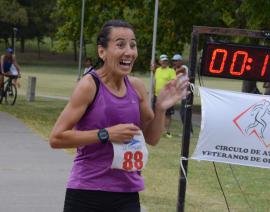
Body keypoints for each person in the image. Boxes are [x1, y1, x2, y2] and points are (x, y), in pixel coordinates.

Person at [49, 20, 188, 212]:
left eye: (133, 44)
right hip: (88, 191)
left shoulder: (137, 87)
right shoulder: (89, 86)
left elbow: (152, 138)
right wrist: (105, 134)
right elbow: (56, 138)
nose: (129, 52)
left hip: (127, 194)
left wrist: (161, 109)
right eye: (120, 44)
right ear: (102, 52)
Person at [152, 54, 176, 138]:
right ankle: (157, 130)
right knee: (156, 113)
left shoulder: (171, 71)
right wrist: (152, 92)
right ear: (160, 62)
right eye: (163, 61)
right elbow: (155, 81)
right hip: (157, 96)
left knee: (167, 114)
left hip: (167, 96)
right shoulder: (157, 70)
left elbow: (173, 82)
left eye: (166, 61)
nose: (164, 62)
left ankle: (166, 131)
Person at [172, 54, 193, 135]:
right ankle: (188, 132)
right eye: (174, 61)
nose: (175, 62)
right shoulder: (176, 68)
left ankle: (189, 132)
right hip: (182, 95)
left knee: (184, 114)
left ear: (181, 61)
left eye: (176, 61)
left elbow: (175, 72)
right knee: (183, 114)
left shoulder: (184, 68)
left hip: (187, 94)